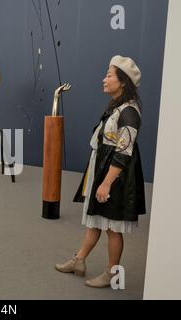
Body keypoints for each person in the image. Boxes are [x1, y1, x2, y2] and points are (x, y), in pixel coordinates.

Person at [55, 55, 146, 288]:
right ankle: (79, 260)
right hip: (103, 167)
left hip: (116, 175)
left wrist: (106, 183)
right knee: (95, 221)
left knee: (113, 228)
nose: (104, 79)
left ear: (123, 81)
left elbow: (124, 152)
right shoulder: (118, 107)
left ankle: (112, 274)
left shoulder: (129, 112)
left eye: (109, 75)